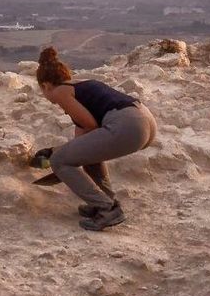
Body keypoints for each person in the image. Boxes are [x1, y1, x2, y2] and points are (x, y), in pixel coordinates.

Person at [34, 46, 157, 231]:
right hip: (144, 120)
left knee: (59, 161)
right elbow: (84, 143)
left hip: (127, 125)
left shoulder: (60, 92)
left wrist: (56, 157)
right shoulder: (80, 85)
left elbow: (90, 125)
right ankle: (104, 201)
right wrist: (58, 150)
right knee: (86, 157)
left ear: (45, 86)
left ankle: (107, 208)